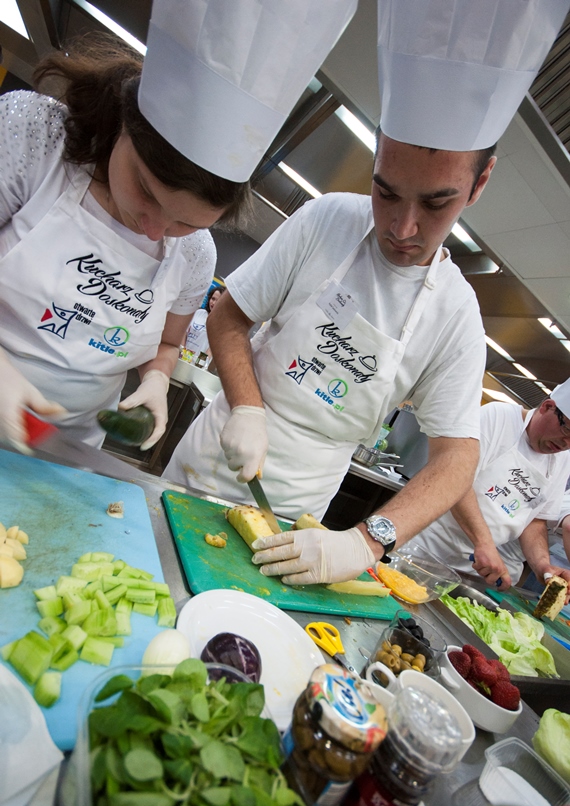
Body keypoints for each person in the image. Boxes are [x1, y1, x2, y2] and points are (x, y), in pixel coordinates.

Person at [165, 0, 568, 587]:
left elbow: (457, 459)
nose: (402, 228)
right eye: (386, 192)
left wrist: (367, 539)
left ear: (479, 184)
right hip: (204, 467)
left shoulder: (456, 315)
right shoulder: (325, 220)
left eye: (435, 203)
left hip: (295, 519)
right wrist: (247, 407)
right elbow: (229, 317)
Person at [0, 34, 249, 452]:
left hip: (64, 451)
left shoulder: (195, 254)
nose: (154, 230)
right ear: (124, 124)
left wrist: (156, 378)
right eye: (146, 192)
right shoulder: (37, 138)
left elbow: (167, 343)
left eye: (186, 222)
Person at [408, 383, 570, 593]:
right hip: (429, 549)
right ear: (547, 407)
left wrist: (543, 565)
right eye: (567, 430)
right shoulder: (498, 418)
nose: (566, 443)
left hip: (479, 574)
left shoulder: (563, 459)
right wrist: (484, 542)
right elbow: (456, 480)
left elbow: (535, 520)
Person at [183, 280, 226, 360]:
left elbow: (212, 349)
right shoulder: (199, 313)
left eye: (218, 301)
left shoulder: (223, 325)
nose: (213, 303)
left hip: (198, 363)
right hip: (182, 356)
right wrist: (183, 353)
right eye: (213, 299)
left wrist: (199, 362)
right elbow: (184, 333)